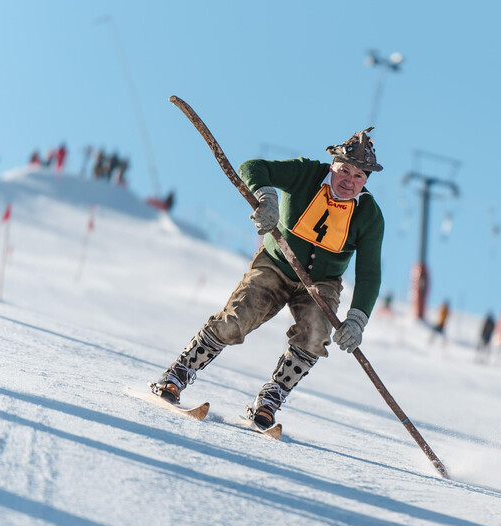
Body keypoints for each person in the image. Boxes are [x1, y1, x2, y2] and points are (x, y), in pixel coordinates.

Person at [150, 127, 385, 434]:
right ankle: (178, 374)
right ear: (333, 166)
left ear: (366, 180)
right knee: (235, 320)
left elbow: (369, 272)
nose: (348, 181)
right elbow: (253, 167)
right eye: (344, 171)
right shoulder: (305, 173)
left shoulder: (369, 215)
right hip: (276, 264)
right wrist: (266, 197)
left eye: (358, 176)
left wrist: (356, 320)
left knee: (315, 336)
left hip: (321, 284)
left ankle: (270, 400)